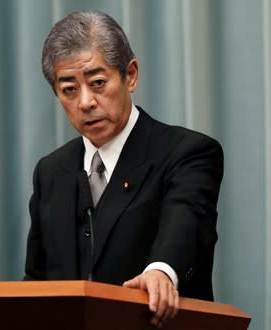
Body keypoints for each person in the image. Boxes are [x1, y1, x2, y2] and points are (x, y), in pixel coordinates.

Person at [24, 10, 223, 328]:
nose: (86, 102)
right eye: (69, 90)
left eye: (98, 83)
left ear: (130, 75)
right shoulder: (51, 172)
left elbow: (185, 222)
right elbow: (36, 281)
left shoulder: (186, 153)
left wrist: (161, 270)